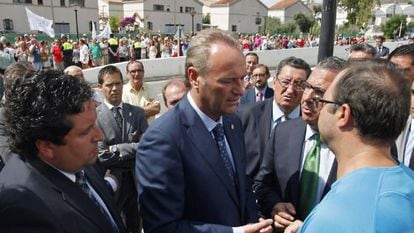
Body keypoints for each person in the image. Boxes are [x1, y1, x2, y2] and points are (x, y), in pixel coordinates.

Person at [136, 29, 273, 233]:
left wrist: (256, 221)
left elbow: (240, 187)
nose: (241, 90)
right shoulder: (162, 139)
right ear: (194, 77)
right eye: (228, 81)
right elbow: (163, 227)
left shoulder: (232, 123)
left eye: (242, 78)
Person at [285, 59, 414, 233]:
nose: (310, 101)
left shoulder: (336, 217)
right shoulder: (407, 182)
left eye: (324, 100)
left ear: (343, 114)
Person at [0, 70, 126, 233]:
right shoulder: (22, 210)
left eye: (94, 124)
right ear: (46, 147)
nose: (99, 135)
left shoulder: (76, 158)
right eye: (86, 131)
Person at [254, 57, 345, 232]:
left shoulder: (358, 143)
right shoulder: (282, 132)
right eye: (307, 87)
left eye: (319, 92)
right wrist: (274, 206)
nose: (307, 98)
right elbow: (262, 184)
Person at [239, 56, 311, 179]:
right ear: (274, 81)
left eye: (299, 84)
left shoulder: (311, 123)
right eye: (285, 82)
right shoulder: (245, 116)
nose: (290, 90)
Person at [96, 65, 148, 233]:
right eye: (109, 85)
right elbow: (103, 155)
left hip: (137, 182)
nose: (115, 88)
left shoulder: (138, 114)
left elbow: (147, 148)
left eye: (118, 83)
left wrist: (116, 148)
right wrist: (134, 147)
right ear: (100, 87)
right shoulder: (95, 117)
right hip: (111, 182)